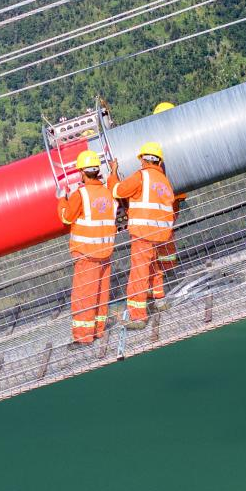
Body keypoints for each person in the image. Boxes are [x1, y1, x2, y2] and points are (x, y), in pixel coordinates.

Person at [57, 150, 119, 345]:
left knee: (83, 297)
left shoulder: (80, 195)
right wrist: (114, 173)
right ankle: (98, 331)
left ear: (82, 173)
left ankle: (83, 338)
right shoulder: (108, 193)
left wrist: (61, 199)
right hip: (105, 253)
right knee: (101, 294)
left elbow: (67, 217)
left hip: (86, 254)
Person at [113, 141, 176, 329]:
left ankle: (138, 317)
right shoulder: (164, 181)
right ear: (158, 162)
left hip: (143, 233)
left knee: (138, 274)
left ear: (143, 160)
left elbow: (118, 191)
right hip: (160, 234)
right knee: (154, 266)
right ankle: (159, 298)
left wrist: (113, 174)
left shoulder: (142, 176)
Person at [150, 103, 188, 290]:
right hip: (172, 196)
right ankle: (167, 271)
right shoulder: (178, 137)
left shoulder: (158, 143)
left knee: (162, 236)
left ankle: (164, 273)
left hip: (165, 198)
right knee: (166, 234)